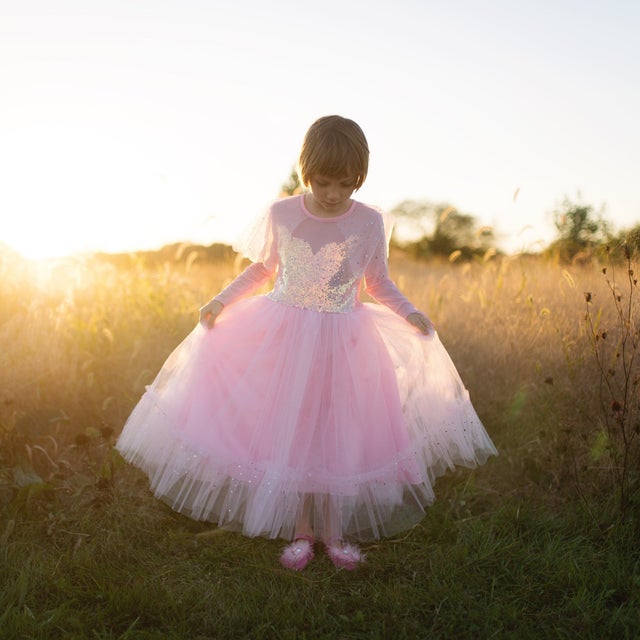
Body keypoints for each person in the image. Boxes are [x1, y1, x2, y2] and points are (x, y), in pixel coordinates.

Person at [116, 115, 497, 571]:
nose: (334, 193)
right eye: (323, 182)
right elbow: (262, 269)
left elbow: (377, 282)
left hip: (344, 339)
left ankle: (334, 533)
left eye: (345, 183)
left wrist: (410, 312)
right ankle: (300, 531)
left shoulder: (370, 223)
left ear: (359, 178)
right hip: (284, 336)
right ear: (306, 170)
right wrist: (220, 300)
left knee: (336, 429)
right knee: (295, 427)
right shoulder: (282, 213)